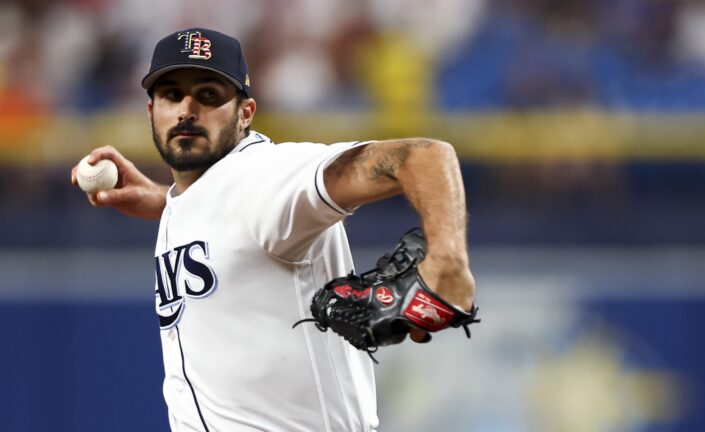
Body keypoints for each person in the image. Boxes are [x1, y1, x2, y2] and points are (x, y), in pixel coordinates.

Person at [71, 28, 475, 432]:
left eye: (209, 95)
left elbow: (424, 156)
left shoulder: (263, 176)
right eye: (172, 95)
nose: (187, 110)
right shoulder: (202, 194)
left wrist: (448, 259)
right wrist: (166, 200)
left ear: (245, 113)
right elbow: (228, 221)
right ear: (151, 111)